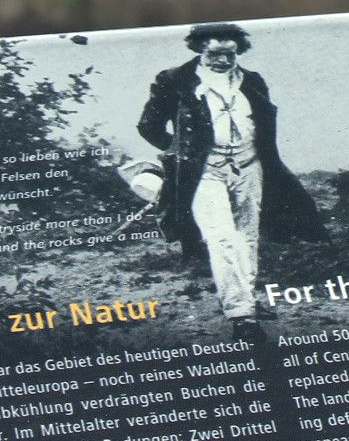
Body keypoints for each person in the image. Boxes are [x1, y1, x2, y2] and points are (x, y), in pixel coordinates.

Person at [137, 22, 326, 333]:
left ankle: (246, 303)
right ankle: (240, 315)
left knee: (247, 237)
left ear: (239, 52)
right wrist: (178, 150)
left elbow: (264, 124)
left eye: (229, 54)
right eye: (214, 54)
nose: (222, 61)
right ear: (199, 49)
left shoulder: (252, 81)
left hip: (250, 166)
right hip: (205, 171)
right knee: (221, 237)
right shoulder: (175, 80)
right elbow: (148, 125)